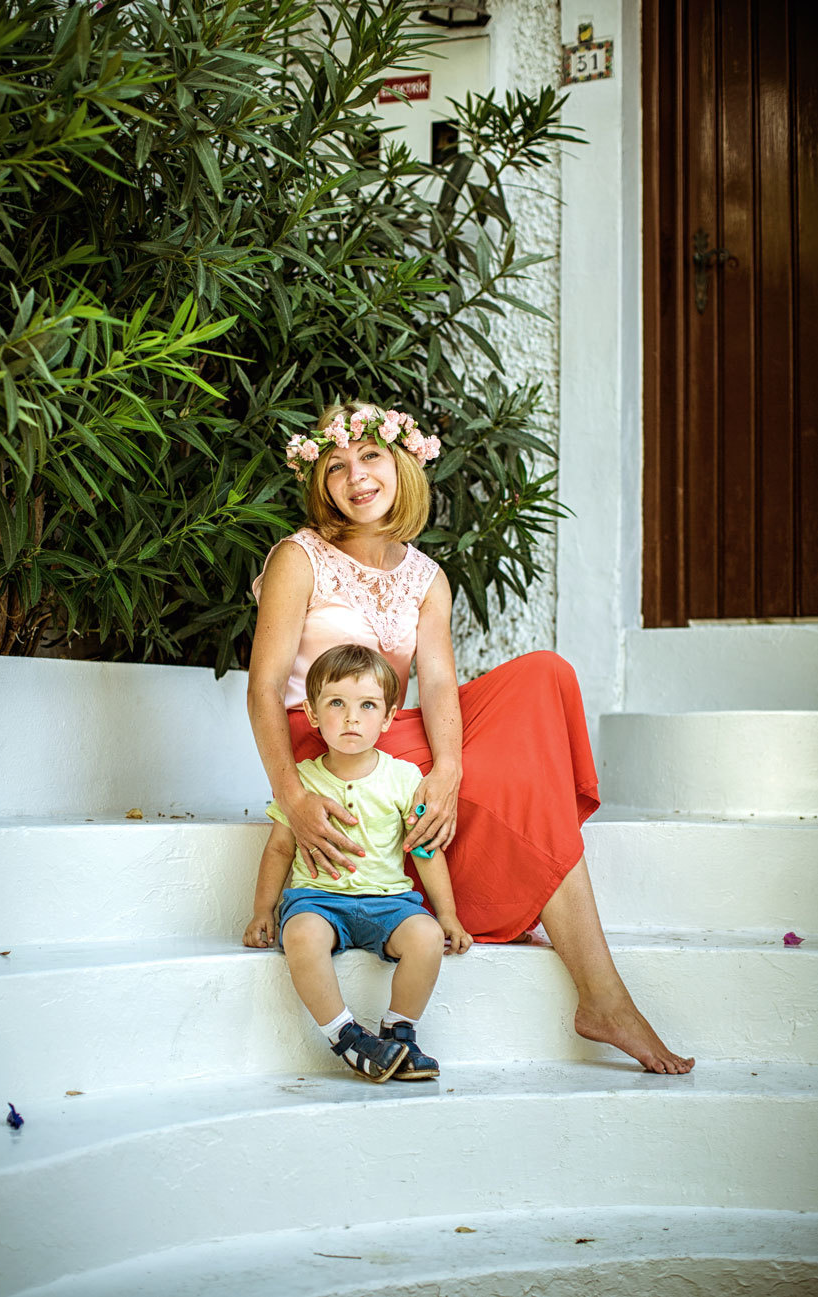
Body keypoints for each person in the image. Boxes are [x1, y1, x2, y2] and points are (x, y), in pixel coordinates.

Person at [248, 400, 695, 1075]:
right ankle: (604, 997)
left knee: (544, 674)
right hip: (331, 742)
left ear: (402, 464)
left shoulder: (426, 576)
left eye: (369, 456)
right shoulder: (298, 557)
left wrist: (448, 771)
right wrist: (292, 793)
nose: (355, 475)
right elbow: (262, 687)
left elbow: (436, 684)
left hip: (396, 731)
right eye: (335, 464)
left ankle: (602, 998)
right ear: (320, 481)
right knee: (518, 792)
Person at [243, 643, 472, 1083]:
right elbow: (279, 850)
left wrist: (447, 915)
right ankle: (346, 1036)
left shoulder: (404, 778)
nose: (352, 718)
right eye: (337, 703)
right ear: (312, 714)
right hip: (318, 900)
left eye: (367, 705)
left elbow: (424, 849)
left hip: (389, 902)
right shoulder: (302, 781)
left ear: (387, 717)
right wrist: (262, 911)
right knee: (301, 935)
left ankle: (399, 1034)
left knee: (425, 938)